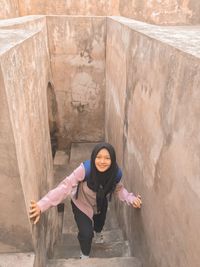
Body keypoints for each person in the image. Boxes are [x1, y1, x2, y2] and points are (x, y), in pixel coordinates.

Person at [29, 142, 142, 259]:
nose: (102, 161)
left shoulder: (115, 173)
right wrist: (41, 206)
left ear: (112, 160)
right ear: (93, 157)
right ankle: (85, 254)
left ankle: (98, 234)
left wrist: (131, 199)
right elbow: (64, 187)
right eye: (99, 157)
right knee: (86, 233)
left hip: (100, 202)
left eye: (107, 158)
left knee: (99, 223)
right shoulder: (85, 169)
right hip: (81, 203)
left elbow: (119, 189)